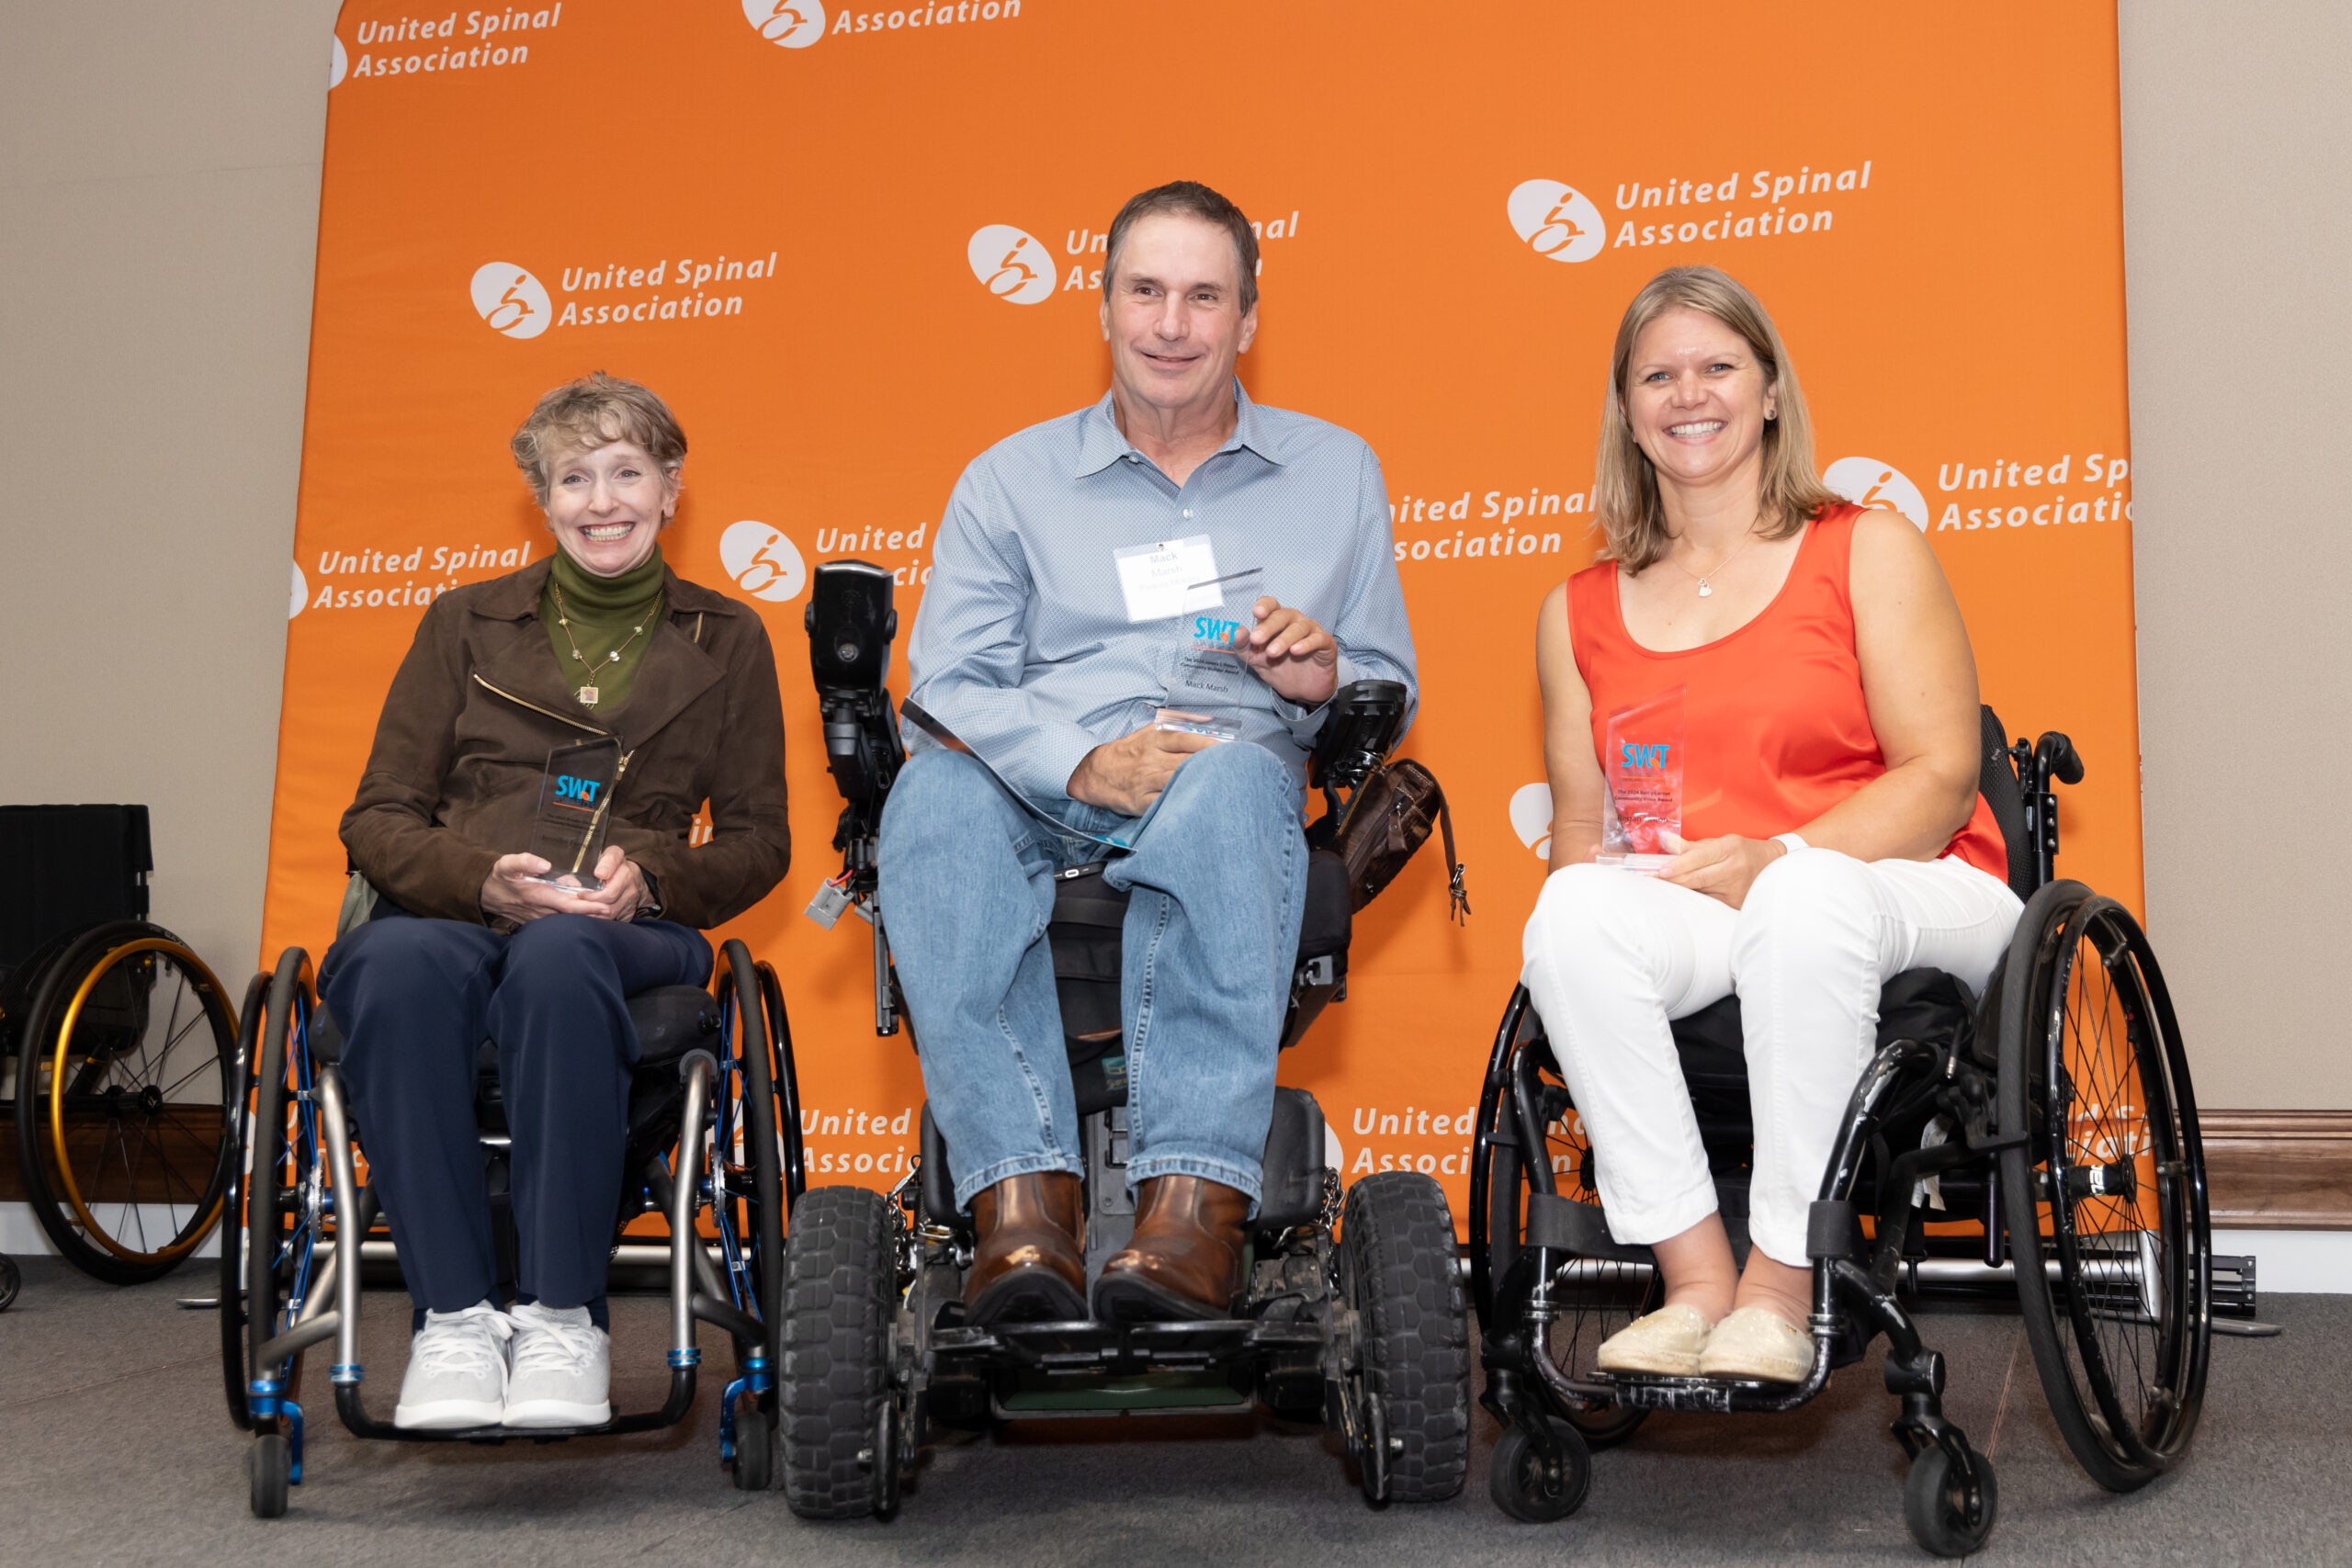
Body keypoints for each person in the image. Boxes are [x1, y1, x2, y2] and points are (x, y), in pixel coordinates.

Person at [880, 180, 1416, 1326]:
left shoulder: (1337, 472)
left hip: (1228, 777)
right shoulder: (1009, 480)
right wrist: (1080, 762)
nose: (1172, 324)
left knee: (1228, 782)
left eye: (1203, 297)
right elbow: (949, 685)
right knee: (929, 800)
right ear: (1104, 305)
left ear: (1248, 321)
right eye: (1147, 291)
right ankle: (1020, 1210)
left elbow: (1379, 685)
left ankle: (1191, 1217)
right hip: (1039, 782)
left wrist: (1324, 682)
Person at [1519, 266, 2018, 1382]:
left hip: (1913, 884)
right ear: (1626, 409)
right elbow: (1582, 836)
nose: (1687, 395)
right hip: (1713, 905)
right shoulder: (1577, 612)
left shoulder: (1864, 546)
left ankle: (1783, 1285)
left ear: (1771, 391)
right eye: (1658, 374)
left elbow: (1940, 777)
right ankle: (1696, 1277)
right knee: (1569, 915)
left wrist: (1779, 856)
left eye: (1715, 367)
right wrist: (1628, 886)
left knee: (1799, 896)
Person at [322, 373, 790, 1429]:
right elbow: (377, 816)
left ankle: (561, 1317)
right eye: (573, 477)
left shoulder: (730, 637)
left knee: (558, 959)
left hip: (624, 934)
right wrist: (476, 877)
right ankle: (450, 1319)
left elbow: (762, 841)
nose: (602, 499)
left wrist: (655, 876)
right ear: (543, 497)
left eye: (627, 472)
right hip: (451, 910)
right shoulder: (462, 624)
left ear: (672, 488)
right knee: (390, 967)